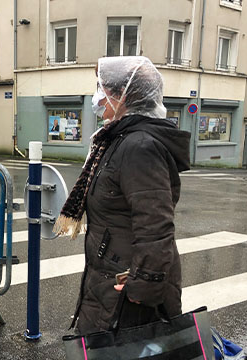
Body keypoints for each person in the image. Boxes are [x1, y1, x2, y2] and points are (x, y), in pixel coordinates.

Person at [54, 56, 191, 334]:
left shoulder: (139, 146)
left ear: (123, 96)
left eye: (102, 88)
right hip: (111, 277)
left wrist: (143, 286)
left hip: (127, 287)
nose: (97, 96)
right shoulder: (117, 139)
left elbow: (155, 225)